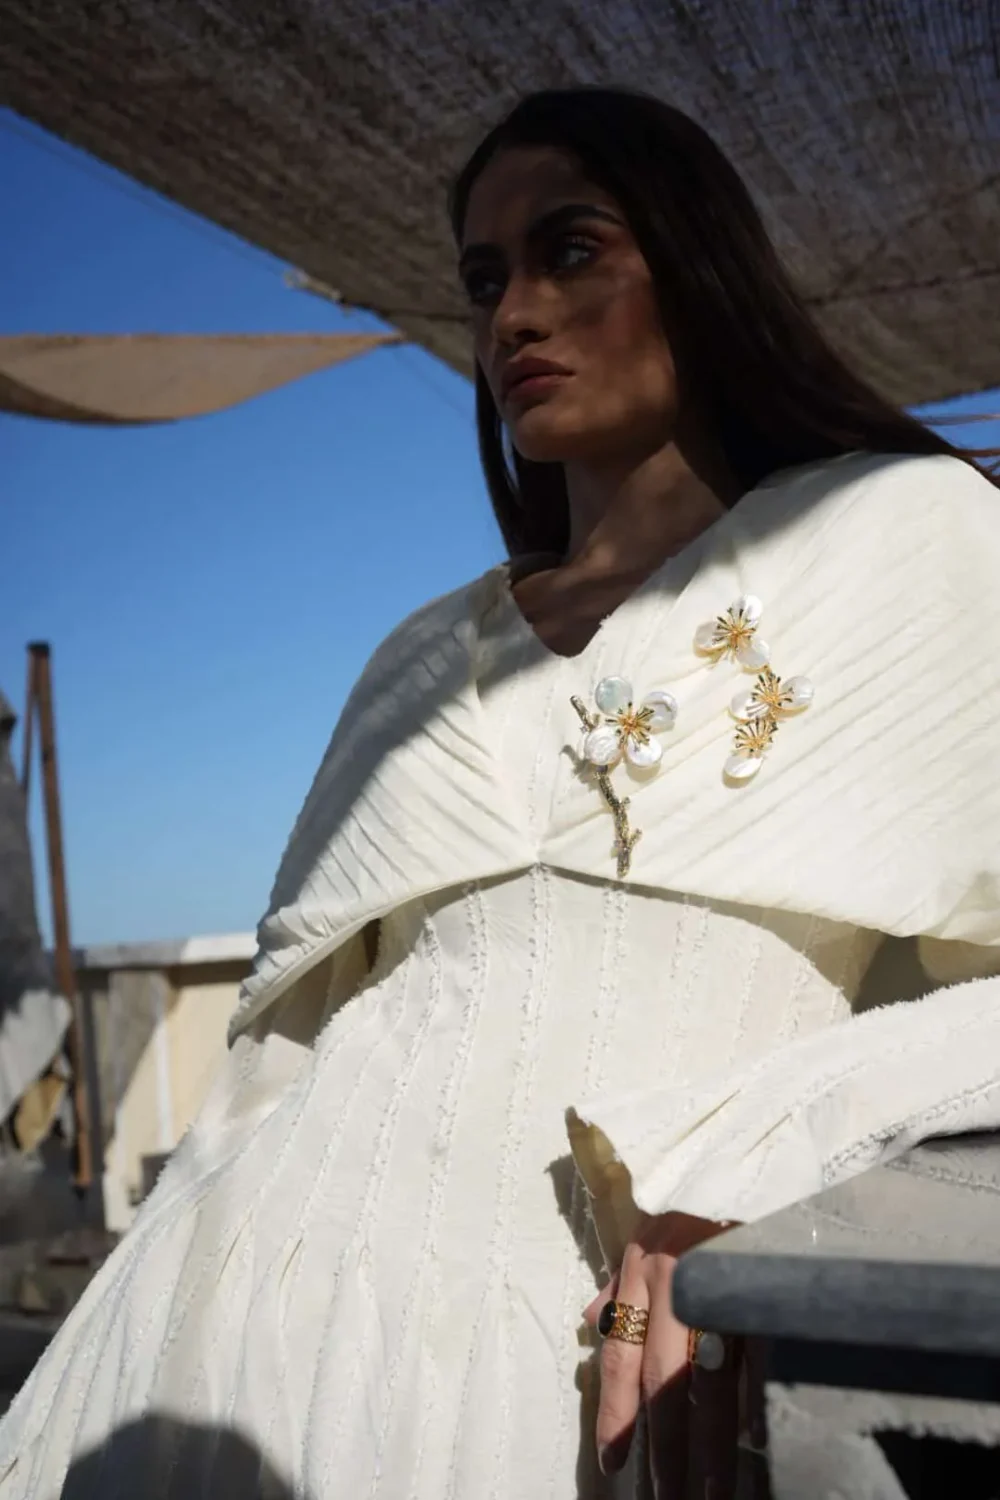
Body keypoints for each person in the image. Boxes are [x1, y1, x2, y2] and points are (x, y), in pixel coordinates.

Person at [2, 86, 1000, 1500]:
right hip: (221, 1341)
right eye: (484, 280)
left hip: (564, 1368)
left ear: (699, 260)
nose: (515, 314)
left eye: (570, 250)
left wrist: (763, 1154)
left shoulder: (908, 537)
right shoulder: (417, 656)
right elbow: (275, 1064)